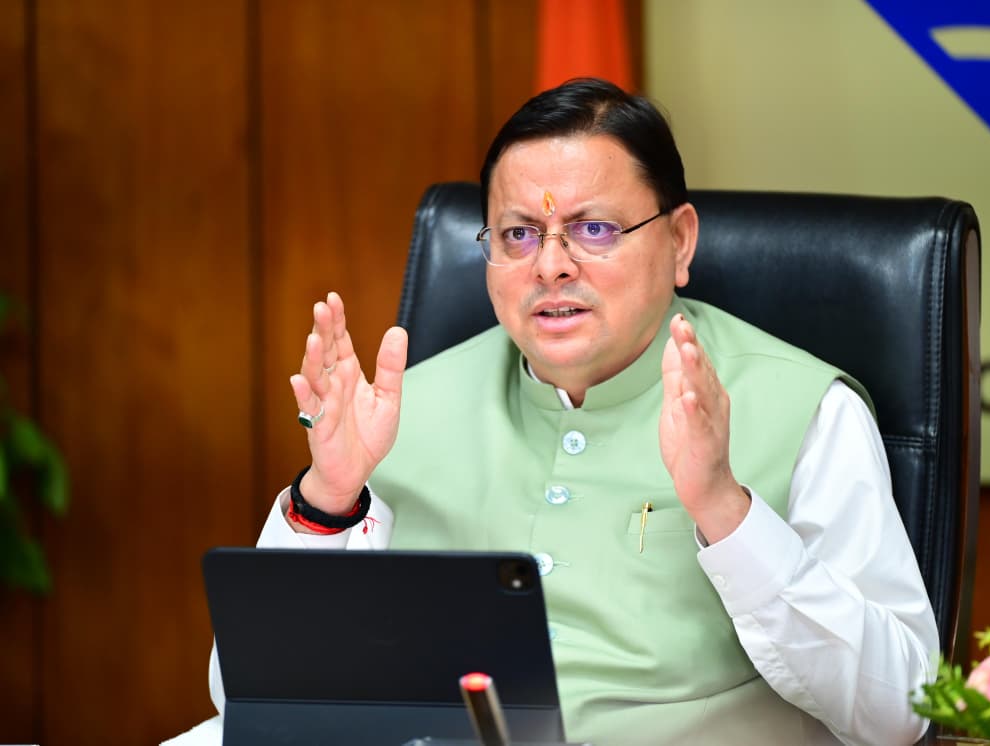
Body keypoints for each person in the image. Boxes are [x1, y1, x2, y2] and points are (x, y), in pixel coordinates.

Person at [209, 78, 939, 745]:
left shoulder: (808, 408)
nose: (550, 265)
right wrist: (328, 498)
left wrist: (726, 509)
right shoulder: (402, 411)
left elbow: (902, 710)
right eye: (518, 234)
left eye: (594, 229)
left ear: (679, 240)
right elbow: (246, 695)